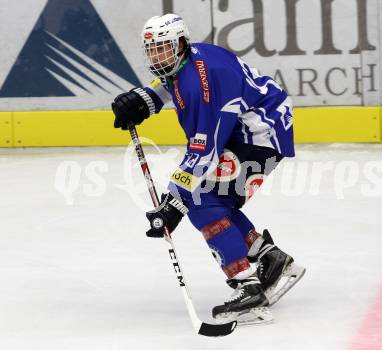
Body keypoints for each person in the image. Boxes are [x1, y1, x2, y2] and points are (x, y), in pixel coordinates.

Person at [111, 13, 305, 324]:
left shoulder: (205, 84)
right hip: (248, 128)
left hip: (261, 136)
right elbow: (170, 82)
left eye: (164, 48)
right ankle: (270, 259)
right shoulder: (189, 59)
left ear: (182, 44)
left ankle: (247, 286)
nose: (158, 56)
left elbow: (204, 152)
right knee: (213, 201)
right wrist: (144, 99)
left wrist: (173, 201)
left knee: (201, 201)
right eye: (153, 50)